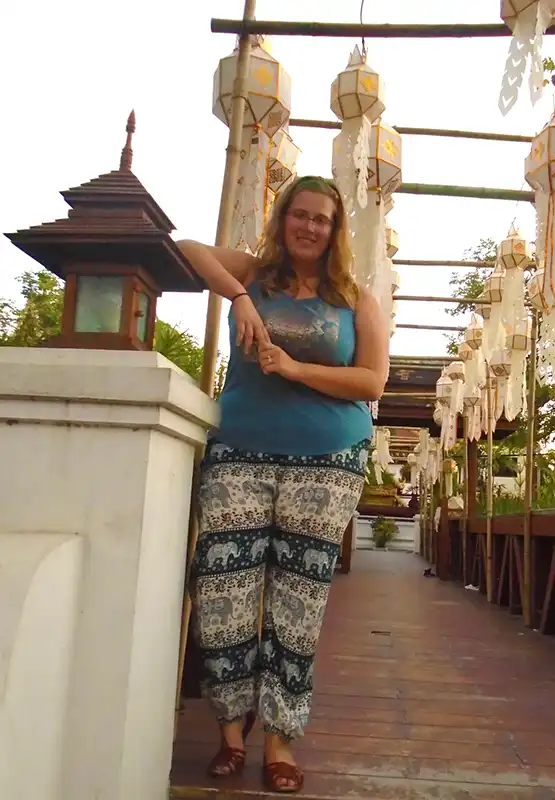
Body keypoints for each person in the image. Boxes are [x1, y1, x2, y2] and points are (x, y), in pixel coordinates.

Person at [178, 175, 389, 793]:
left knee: (298, 604)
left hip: (327, 458)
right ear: (283, 218)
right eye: (300, 214)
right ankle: (230, 733)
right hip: (239, 450)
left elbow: (372, 381)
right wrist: (240, 296)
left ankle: (279, 741)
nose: (309, 227)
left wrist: (296, 368)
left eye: (322, 218)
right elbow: (186, 248)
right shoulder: (253, 273)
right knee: (223, 592)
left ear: (336, 229)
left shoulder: (355, 298)